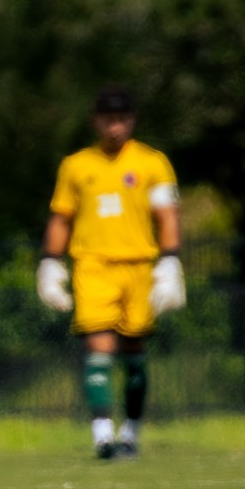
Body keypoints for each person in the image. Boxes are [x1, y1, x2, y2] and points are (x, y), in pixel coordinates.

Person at [37, 84, 184, 459]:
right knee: (98, 346)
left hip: (138, 266)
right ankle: (103, 434)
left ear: (131, 121)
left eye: (121, 119)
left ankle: (130, 432)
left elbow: (167, 214)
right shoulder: (76, 166)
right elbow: (61, 217)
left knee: (134, 348)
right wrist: (50, 262)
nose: (115, 127)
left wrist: (170, 259)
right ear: (96, 121)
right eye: (108, 119)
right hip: (93, 266)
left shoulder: (152, 162)